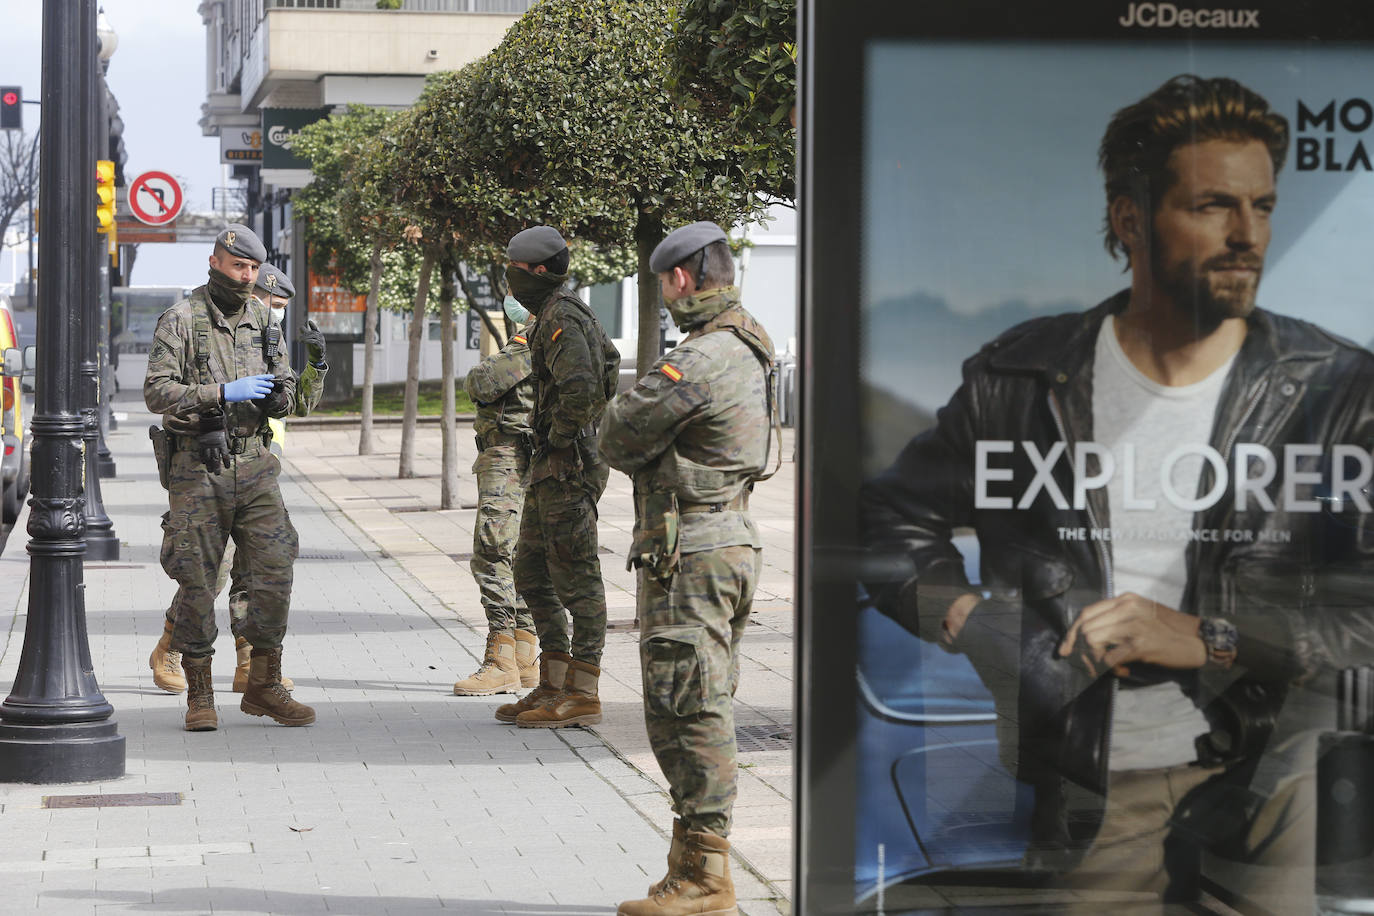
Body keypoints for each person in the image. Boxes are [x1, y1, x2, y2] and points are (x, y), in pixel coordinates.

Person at [859, 74, 1374, 912]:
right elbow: (885, 519)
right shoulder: (1020, 379)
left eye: (1264, 207)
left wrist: (1212, 639)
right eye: (1214, 206)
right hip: (1101, 784)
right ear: (1131, 219)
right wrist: (967, 619)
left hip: (1282, 774)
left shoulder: (1344, 389)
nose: (1249, 235)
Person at [601, 221, 776, 916]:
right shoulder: (752, 341)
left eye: (664, 286)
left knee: (689, 706)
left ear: (679, 280)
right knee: (696, 699)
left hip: (695, 550)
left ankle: (706, 879)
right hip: (726, 538)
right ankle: (690, 870)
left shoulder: (701, 361)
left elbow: (616, 433)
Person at [145, 225, 317, 731]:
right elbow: (157, 392)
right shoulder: (180, 318)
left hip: (257, 465)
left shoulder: (266, 320)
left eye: (251, 269)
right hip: (199, 468)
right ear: (215, 262)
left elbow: (284, 381)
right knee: (198, 580)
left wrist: (277, 397)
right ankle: (200, 694)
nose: (245, 276)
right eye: (236, 266)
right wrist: (219, 394)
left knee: (274, 569)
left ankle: (264, 684)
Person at [496, 225, 620, 729]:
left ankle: (583, 691)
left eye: (515, 269)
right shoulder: (549, 313)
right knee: (529, 569)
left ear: (540, 271)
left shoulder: (563, 317)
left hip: (568, 466)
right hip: (551, 464)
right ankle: (551, 680)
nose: (509, 277)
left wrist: (560, 439)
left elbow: (585, 392)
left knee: (578, 578)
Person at [452, 295, 539, 695]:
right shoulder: (561, 343)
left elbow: (481, 382)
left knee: (492, 554)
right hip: (530, 458)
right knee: (520, 553)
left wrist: (519, 341)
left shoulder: (530, 344)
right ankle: (524, 656)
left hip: (508, 458)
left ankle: (501, 659)